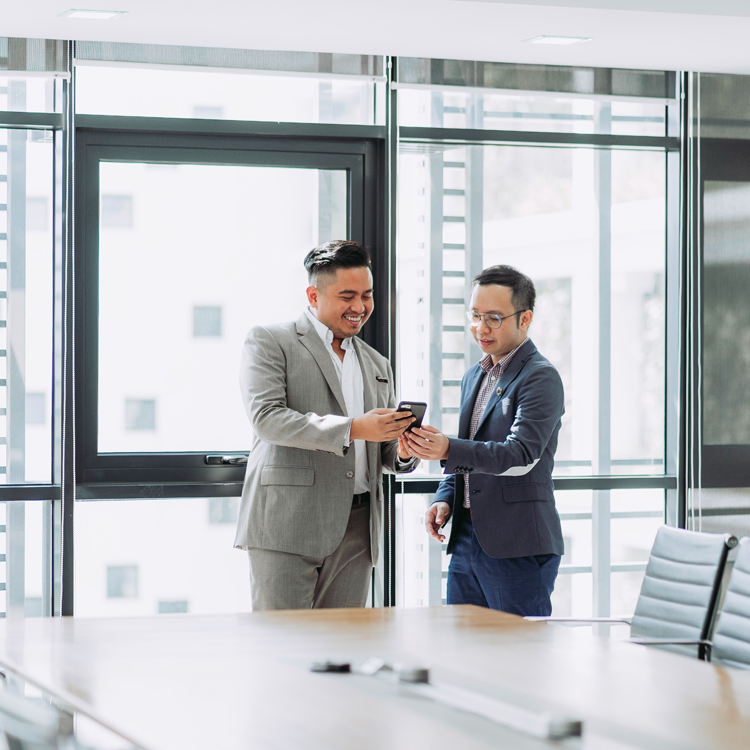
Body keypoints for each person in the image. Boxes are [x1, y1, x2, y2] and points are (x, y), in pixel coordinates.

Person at [234, 240, 419, 610]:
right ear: (313, 295)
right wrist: (352, 428)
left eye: (366, 295)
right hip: (287, 522)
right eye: (347, 295)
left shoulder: (378, 364)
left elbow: (379, 450)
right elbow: (268, 419)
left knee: (343, 650)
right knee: (283, 646)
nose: (360, 307)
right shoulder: (271, 341)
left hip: (359, 529)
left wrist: (401, 451)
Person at [404, 265, 564, 616]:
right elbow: (470, 451)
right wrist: (446, 497)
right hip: (465, 540)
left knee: (519, 659)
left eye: (493, 317)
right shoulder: (474, 375)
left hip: (517, 545)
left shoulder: (540, 377)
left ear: (525, 319)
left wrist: (447, 448)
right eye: (475, 315)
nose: (480, 328)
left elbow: (520, 454)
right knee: (466, 654)